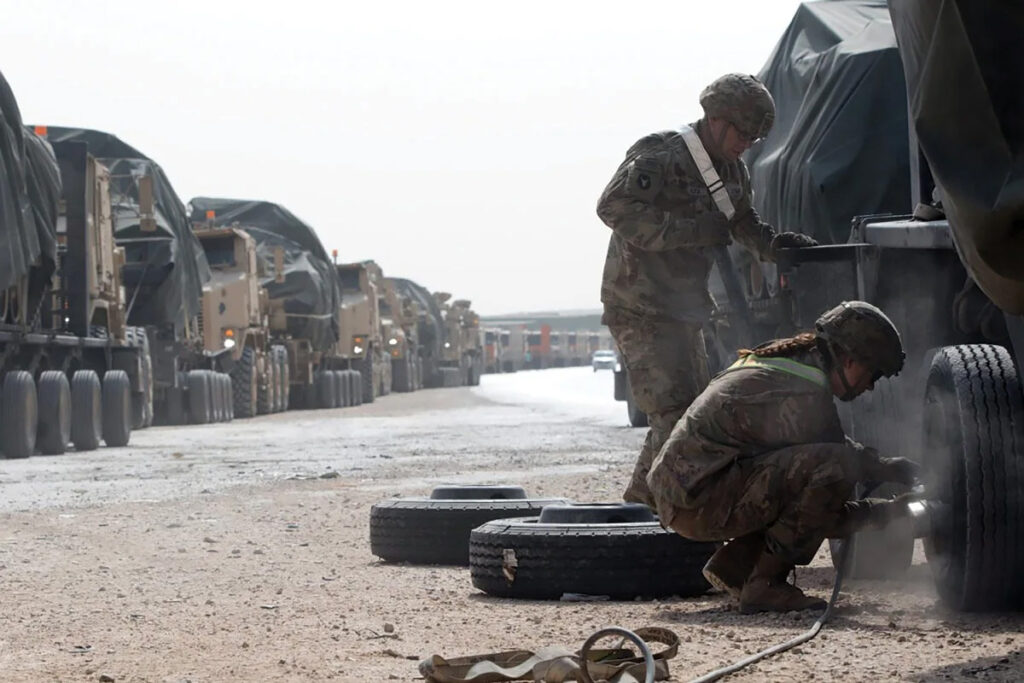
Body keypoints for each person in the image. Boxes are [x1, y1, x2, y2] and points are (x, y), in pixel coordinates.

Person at [596, 72, 818, 507]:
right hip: (639, 305)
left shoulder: (733, 172)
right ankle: (653, 515)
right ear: (716, 119)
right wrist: (691, 230)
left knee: (689, 417)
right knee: (672, 413)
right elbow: (613, 206)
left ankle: (642, 507)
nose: (747, 144)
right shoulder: (661, 155)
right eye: (744, 133)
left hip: (686, 311)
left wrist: (777, 247)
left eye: (756, 139)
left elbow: (741, 224)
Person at [646, 301, 919, 614]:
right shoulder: (803, 393)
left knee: (812, 474)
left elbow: (801, 482)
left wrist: (886, 471)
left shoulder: (790, 364)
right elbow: (825, 502)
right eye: (874, 374)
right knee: (838, 467)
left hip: (690, 491)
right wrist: (890, 510)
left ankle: (738, 568)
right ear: (849, 359)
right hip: (697, 500)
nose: (870, 387)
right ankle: (764, 585)